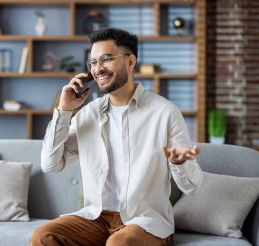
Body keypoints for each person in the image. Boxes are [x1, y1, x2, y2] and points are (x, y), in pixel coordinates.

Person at [30, 27, 203, 246]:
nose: (97, 69)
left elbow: (193, 186)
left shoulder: (164, 112)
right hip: (97, 218)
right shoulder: (88, 115)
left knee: (118, 244)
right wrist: (64, 111)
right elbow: (50, 164)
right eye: (93, 62)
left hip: (144, 223)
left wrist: (178, 163)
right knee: (43, 237)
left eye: (106, 59)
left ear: (131, 62)